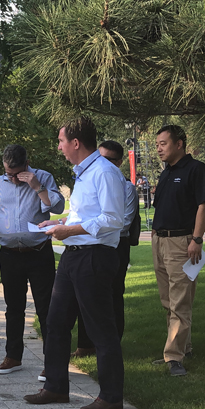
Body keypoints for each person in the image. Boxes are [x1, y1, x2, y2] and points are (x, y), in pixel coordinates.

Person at [23, 116, 126, 409]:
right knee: (55, 322)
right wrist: (61, 221)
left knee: (100, 328)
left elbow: (113, 219)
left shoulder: (105, 172)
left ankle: (111, 396)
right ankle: (55, 387)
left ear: (76, 143)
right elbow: (87, 213)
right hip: (73, 256)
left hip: (94, 257)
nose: (59, 147)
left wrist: (69, 230)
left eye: (61, 141)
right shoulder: (84, 173)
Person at [0, 144, 64, 380]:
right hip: (9, 254)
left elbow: (58, 207)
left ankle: (52, 362)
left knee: (46, 308)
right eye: (8, 173)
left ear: (27, 164)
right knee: (13, 307)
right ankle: (13, 356)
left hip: (38, 251)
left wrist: (37, 187)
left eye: (17, 174)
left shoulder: (43, 177)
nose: (13, 179)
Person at [151, 125, 205, 376]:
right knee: (168, 300)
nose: (158, 149)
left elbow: (203, 205)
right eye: (157, 144)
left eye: (163, 144)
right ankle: (183, 347)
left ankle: (174, 357)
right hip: (159, 241)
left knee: (180, 301)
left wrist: (196, 239)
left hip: (181, 243)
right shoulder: (167, 172)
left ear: (179, 144)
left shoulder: (196, 170)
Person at [71, 140, 140, 358]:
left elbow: (123, 222)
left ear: (119, 162)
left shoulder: (126, 187)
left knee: (113, 294)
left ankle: (112, 345)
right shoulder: (89, 178)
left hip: (116, 246)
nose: (102, 162)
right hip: (91, 245)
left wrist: (92, 228)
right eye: (100, 157)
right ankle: (85, 345)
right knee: (85, 294)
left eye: (109, 159)